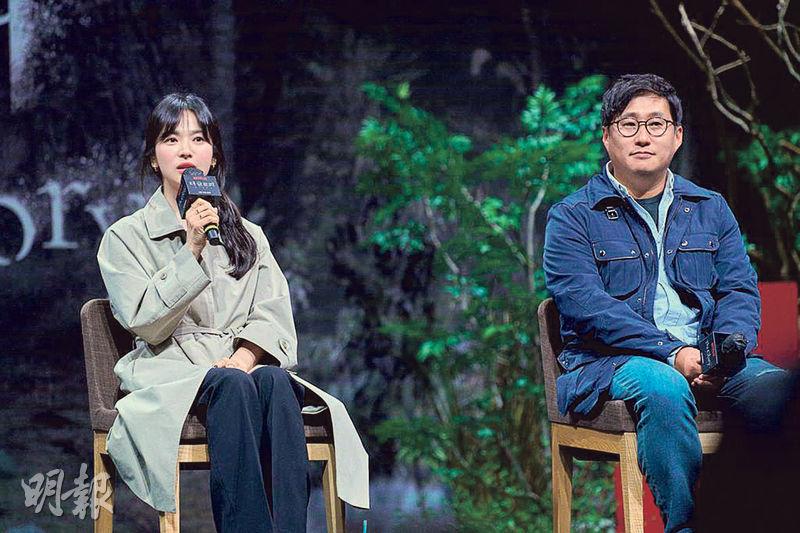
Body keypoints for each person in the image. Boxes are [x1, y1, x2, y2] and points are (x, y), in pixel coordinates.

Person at [96, 93, 370, 532]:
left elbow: (272, 311)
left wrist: (244, 357)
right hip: (170, 373)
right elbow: (145, 321)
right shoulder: (125, 237)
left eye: (198, 139)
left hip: (236, 366)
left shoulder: (248, 235)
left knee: (274, 381)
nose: (186, 150)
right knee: (233, 385)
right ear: (152, 158)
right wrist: (191, 250)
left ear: (214, 156)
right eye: (171, 139)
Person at [543, 74, 791, 533]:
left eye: (656, 124)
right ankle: (685, 526)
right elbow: (586, 306)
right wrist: (673, 353)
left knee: (780, 391)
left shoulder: (710, 207)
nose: (643, 136)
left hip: (704, 357)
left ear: (676, 136)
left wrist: (724, 351)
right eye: (629, 124)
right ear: (607, 136)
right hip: (610, 363)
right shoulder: (572, 217)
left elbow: (739, 290)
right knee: (662, 385)